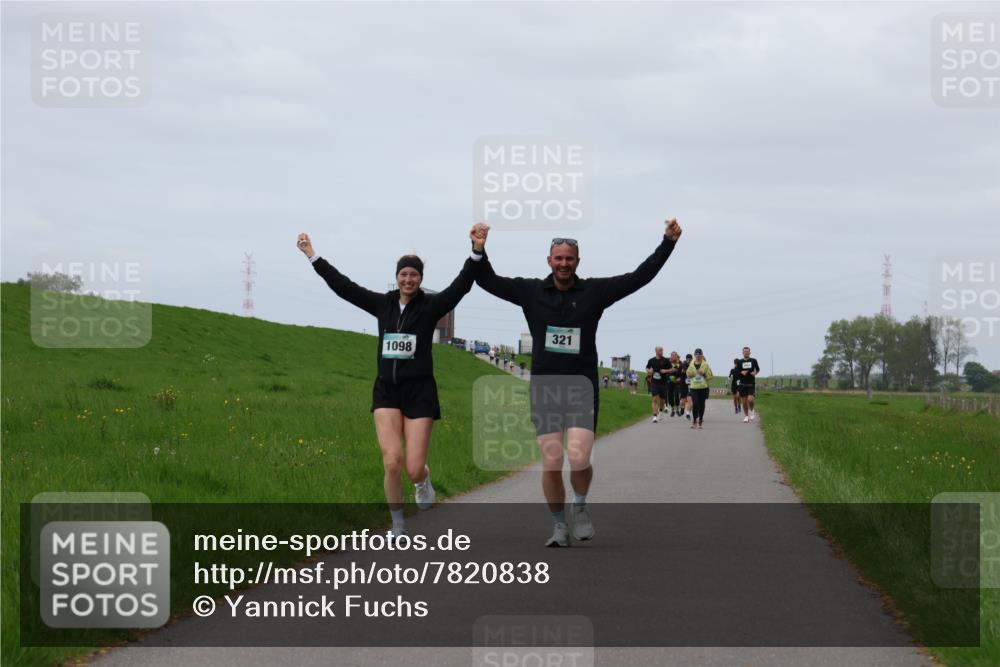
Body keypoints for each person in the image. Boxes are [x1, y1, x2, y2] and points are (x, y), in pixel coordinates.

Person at [474, 219, 682, 546]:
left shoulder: (594, 293)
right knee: (553, 461)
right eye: (558, 258)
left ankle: (580, 506)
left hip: (581, 387)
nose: (564, 263)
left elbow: (638, 277)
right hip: (545, 388)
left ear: (578, 261)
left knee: (580, 458)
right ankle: (558, 526)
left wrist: (667, 243)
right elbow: (486, 280)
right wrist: (478, 249)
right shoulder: (530, 292)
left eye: (569, 258)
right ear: (549, 261)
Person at [297, 226, 487, 540]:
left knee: (413, 468)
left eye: (414, 275)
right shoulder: (382, 304)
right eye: (403, 275)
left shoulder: (431, 307)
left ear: (420, 279)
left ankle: (423, 481)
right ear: (396, 277)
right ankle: (398, 523)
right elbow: (343, 287)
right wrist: (312, 255)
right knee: (392, 460)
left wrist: (476, 250)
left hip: (420, 392)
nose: (408, 280)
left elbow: (462, 285)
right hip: (386, 390)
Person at [686, 348, 713, 429]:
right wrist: (692, 374)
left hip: (703, 387)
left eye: (699, 354)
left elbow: (710, 376)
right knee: (695, 404)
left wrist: (703, 374)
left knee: (701, 405)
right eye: (696, 354)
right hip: (694, 387)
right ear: (694, 355)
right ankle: (694, 420)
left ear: (702, 355)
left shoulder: (705, 365)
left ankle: (700, 420)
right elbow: (688, 375)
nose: (698, 356)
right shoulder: (691, 364)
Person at [646, 346, 671, 423]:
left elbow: (672, 369)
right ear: (656, 351)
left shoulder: (665, 361)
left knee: (662, 401)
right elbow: (647, 367)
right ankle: (654, 416)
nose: (662, 352)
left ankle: (660, 411)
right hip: (654, 383)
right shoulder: (651, 360)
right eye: (660, 350)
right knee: (654, 399)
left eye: (662, 350)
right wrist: (649, 371)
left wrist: (665, 371)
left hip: (663, 383)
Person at [737, 346, 762, 423]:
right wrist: (741, 372)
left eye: (747, 351)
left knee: (750, 399)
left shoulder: (753, 360)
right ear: (742, 352)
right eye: (745, 351)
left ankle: (752, 409)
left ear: (750, 352)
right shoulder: (740, 362)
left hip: (751, 383)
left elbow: (758, 369)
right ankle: (746, 416)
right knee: (744, 402)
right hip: (742, 384)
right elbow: (737, 371)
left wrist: (755, 372)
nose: (746, 353)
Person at [663, 351, 683, 417]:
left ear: (677, 356)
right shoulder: (667, 363)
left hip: (677, 382)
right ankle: (673, 410)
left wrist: (680, 378)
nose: (673, 356)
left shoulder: (680, 363)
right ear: (671, 356)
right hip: (669, 381)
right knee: (670, 396)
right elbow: (664, 370)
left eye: (675, 355)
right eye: (672, 355)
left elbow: (683, 372)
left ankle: (677, 409)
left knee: (677, 395)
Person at [679, 353, 693, 419]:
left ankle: (687, 413)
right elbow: (678, 373)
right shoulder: (682, 365)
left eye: (690, 359)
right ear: (686, 359)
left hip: (691, 384)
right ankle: (682, 408)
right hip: (683, 384)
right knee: (682, 400)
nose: (689, 361)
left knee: (689, 399)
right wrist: (682, 372)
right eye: (688, 359)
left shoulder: (693, 365)